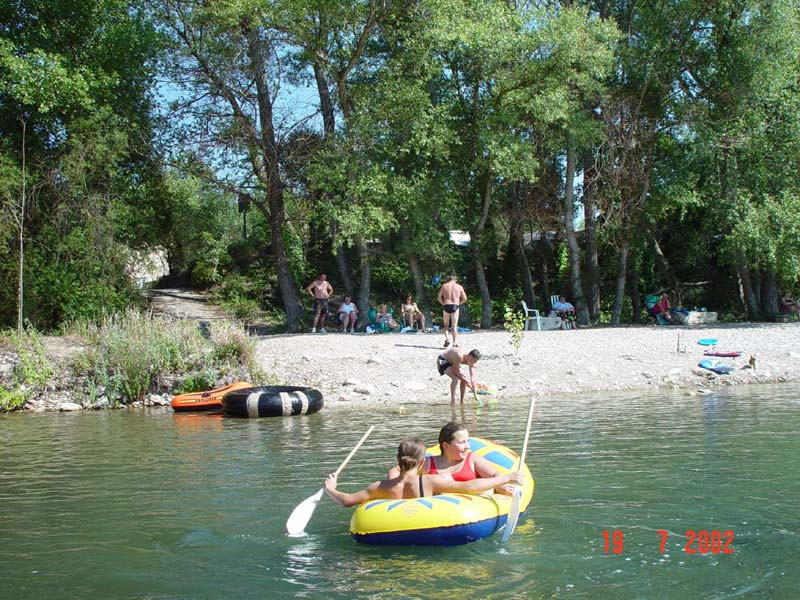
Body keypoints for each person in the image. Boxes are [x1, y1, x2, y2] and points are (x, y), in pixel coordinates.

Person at [324, 437, 522, 507]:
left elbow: (347, 501)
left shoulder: (379, 487)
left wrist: (332, 489)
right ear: (421, 462)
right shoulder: (429, 481)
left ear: (397, 460)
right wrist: (506, 478)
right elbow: (469, 487)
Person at [388, 422, 513, 495]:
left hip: (470, 512)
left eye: (467, 441)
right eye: (461, 442)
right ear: (445, 445)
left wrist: (499, 485)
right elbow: (397, 470)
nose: (467, 446)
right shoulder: (428, 464)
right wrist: (396, 486)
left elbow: (495, 474)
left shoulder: (472, 459)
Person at [437, 274, 467, 348]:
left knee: (446, 325)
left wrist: (443, 303)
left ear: (449, 279)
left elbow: (439, 297)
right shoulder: (459, 286)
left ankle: (447, 338)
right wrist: (459, 303)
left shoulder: (444, 286)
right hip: (455, 305)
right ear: (455, 280)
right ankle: (454, 342)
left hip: (446, 305)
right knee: (454, 326)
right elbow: (465, 298)